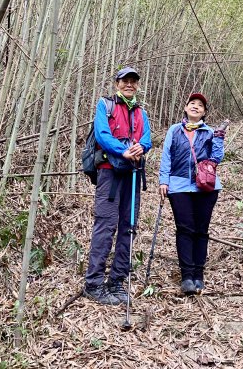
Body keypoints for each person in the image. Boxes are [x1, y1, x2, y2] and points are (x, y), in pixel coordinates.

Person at [83, 67, 152, 305]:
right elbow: (102, 135)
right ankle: (93, 283)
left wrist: (139, 148)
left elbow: (147, 139)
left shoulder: (141, 112)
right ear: (117, 84)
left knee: (128, 226)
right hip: (109, 173)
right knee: (105, 224)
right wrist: (124, 151)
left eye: (133, 81)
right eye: (125, 81)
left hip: (133, 174)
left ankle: (117, 281)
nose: (129, 84)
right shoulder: (105, 105)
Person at [159, 93, 227, 295]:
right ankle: (187, 276)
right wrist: (164, 181)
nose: (196, 107)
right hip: (179, 186)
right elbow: (166, 156)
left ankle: (199, 274)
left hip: (205, 187)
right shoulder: (174, 130)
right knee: (184, 229)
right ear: (186, 108)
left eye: (200, 105)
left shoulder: (210, 132)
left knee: (201, 230)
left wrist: (219, 139)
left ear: (205, 112)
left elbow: (217, 158)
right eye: (192, 103)